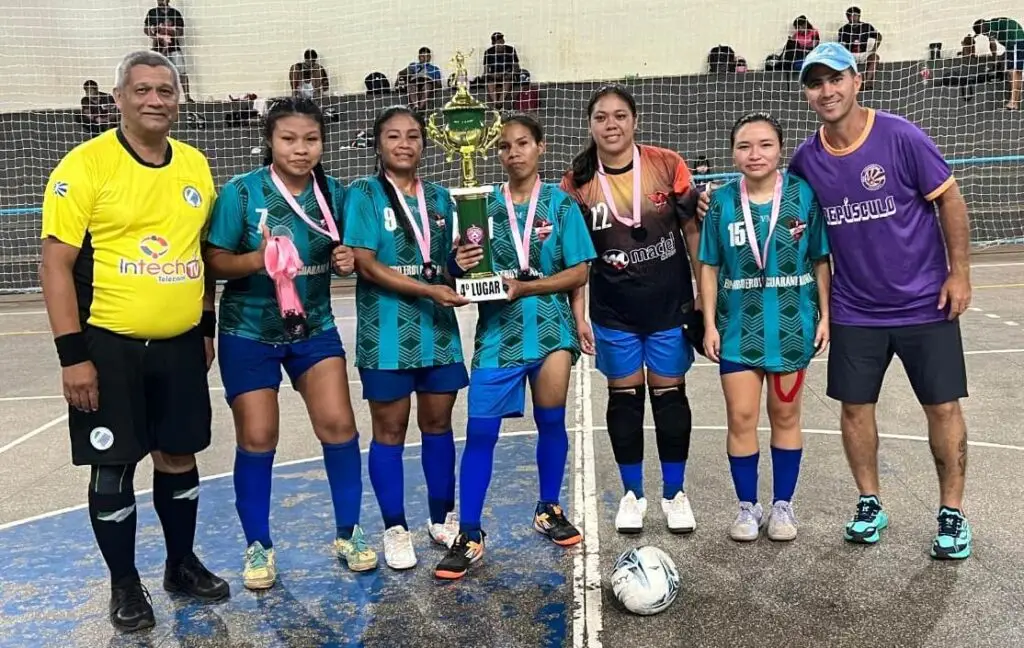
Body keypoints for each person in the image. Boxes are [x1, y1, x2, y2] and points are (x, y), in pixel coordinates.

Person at [699, 43, 974, 560]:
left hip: (923, 303)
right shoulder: (807, 161)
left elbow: (950, 200)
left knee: (942, 406)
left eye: (836, 79)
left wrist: (959, 274)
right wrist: (710, 199)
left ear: (856, 81)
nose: (826, 91)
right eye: (815, 83)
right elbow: (769, 201)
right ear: (806, 93)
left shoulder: (901, 136)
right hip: (855, 309)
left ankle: (952, 512)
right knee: (855, 409)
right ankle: (869, 502)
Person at [39, 50, 228, 633]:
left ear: (178, 100)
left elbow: (202, 255)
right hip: (108, 347)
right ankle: (124, 583)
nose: (154, 100)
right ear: (118, 98)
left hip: (179, 346)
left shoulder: (194, 165)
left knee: (179, 455)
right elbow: (54, 266)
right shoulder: (84, 166)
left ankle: (180, 565)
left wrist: (205, 326)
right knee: (113, 464)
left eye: (165, 90)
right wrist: (73, 357)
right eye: (142, 89)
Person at [203, 97, 373, 589]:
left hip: (313, 327)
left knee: (339, 425)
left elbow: (349, 251)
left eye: (311, 139)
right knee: (258, 437)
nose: (301, 149)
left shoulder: (336, 194)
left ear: (323, 143)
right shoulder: (241, 192)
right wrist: (256, 259)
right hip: (248, 330)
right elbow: (213, 260)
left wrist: (346, 260)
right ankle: (258, 545)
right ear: (270, 141)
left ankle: (349, 533)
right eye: (289, 139)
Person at [434, 115, 596, 580]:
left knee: (551, 420)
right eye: (505, 146)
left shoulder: (561, 206)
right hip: (497, 333)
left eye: (522, 143)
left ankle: (548, 507)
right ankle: (469, 532)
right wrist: (457, 263)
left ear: (540, 146)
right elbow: (458, 272)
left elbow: (580, 271)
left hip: (550, 329)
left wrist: (529, 289)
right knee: (480, 432)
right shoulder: (481, 206)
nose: (513, 152)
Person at [560, 85, 702, 536]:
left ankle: (675, 494)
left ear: (634, 120)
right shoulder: (576, 182)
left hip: (668, 304)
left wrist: (702, 292)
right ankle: (632, 495)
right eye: (601, 117)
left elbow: (692, 230)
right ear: (590, 124)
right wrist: (580, 315)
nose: (611, 124)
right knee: (624, 402)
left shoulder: (667, 164)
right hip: (613, 310)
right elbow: (576, 256)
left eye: (620, 115)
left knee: (670, 399)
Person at [343, 106, 469, 570]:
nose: (404, 143)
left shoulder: (441, 198)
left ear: (423, 144)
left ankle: (442, 517)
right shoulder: (364, 193)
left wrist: (461, 266)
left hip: (438, 331)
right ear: (378, 144)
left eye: (413, 135)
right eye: (394, 136)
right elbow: (365, 263)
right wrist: (430, 289)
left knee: (438, 425)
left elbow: (446, 266)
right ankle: (395, 528)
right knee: (390, 431)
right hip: (386, 333)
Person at [698, 112, 831, 543]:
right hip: (737, 328)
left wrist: (826, 316)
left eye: (765, 145)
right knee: (740, 417)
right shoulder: (720, 202)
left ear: (780, 149)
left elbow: (820, 259)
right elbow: (709, 265)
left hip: (791, 326)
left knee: (786, 415)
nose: (755, 154)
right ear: (733, 153)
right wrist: (708, 324)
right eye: (744, 146)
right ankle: (746, 506)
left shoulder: (802, 195)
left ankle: (782, 505)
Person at [973, 16, 1024, 110]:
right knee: (1016, 72)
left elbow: (992, 45)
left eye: (982, 32)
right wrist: (1000, 58)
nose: (984, 35)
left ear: (982, 27)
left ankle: (1013, 103)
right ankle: (1015, 101)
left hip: (1015, 43)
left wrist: (995, 60)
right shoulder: (996, 24)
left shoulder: (989, 26)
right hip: (1016, 43)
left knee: (1013, 72)